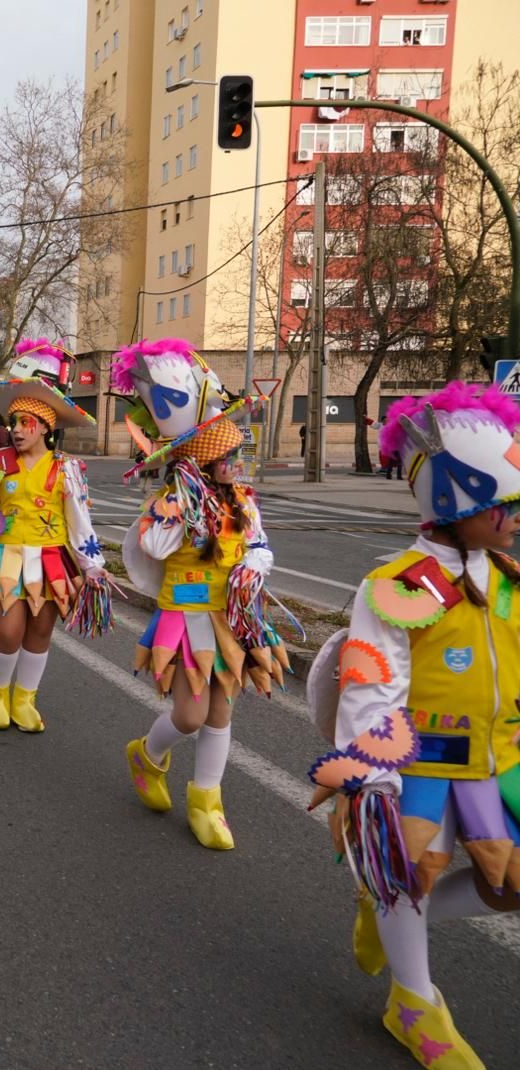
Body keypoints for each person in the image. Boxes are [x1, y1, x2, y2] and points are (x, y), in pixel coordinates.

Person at [307, 382, 520, 1070]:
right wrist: (374, 780)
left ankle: (387, 912)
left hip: (498, 762)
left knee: (509, 885)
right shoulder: (400, 586)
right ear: (457, 502)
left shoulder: (510, 576)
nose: (516, 515)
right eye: (506, 503)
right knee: (411, 874)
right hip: (420, 766)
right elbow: (371, 686)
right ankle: (413, 1001)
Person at [112, 338, 287, 851]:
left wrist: (253, 567)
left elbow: (260, 547)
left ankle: (207, 802)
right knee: (189, 716)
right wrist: (180, 508)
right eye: (228, 455)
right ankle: (147, 754)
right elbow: (153, 547)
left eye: (237, 452)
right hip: (186, 616)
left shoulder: (244, 502)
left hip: (231, 618)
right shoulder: (172, 500)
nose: (237, 461)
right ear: (204, 462)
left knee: (220, 713)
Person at [0, 339, 109, 732]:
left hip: (51, 560)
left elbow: (79, 521)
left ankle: (25, 698)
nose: (17, 430)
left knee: (41, 631)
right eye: (14, 422)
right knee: (8, 631)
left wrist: (92, 565)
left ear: (45, 426)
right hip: (5, 559)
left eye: (26, 423)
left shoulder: (66, 469)